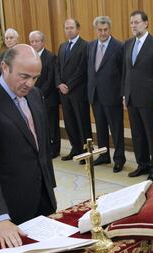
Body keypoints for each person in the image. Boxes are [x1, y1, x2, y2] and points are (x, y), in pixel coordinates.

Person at [0, 44, 57, 248]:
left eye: (35, 78)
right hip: (10, 210)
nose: (30, 83)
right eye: (24, 76)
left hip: (43, 199)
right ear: (4, 67)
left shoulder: (35, 95)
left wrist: (49, 187)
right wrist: (1, 218)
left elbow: (40, 147)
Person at [122, 10, 153, 181]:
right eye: (131, 22)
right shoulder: (127, 44)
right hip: (132, 97)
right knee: (137, 134)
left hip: (149, 99)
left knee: (150, 134)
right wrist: (124, 95)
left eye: (137, 22)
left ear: (146, 23)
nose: (133, 25)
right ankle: (142, 164)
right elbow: (126, 72)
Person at [87, 16, 125, 172]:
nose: (102, 33)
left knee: (116, 129)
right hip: (95, 95)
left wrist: (123, 94)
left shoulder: (119, 46)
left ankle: (119, 159)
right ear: (96, 30)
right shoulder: (90, 46)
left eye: (105, 30)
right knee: (101, 128)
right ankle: (103, 155)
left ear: (110, 29)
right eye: (100, 30)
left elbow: (124, 73)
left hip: (112, 95)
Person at [55, 19, 92, 163]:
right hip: (63, 93)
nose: (69, 30)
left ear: (78, 29)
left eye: (71, 28)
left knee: (82, 123)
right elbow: (57, 67)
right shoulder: (62, 46)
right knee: (69, 123)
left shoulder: (85, 46)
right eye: (66, 28)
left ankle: (86, 152)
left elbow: (82, 70)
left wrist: (68, 86)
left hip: (78, 92)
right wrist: (59, 83)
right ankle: (75, 148)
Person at [29, 30, 60, 158]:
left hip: (48, 98)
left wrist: (39, 94)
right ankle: (44, 147)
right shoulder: (29, 57)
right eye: (32, 41)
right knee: (39, 125)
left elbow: (50, 79)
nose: (34, 44)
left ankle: (55, 149)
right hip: (33, 97)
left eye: (37, 41)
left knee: (52, 125)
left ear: (43, 42)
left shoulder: (50, 56)